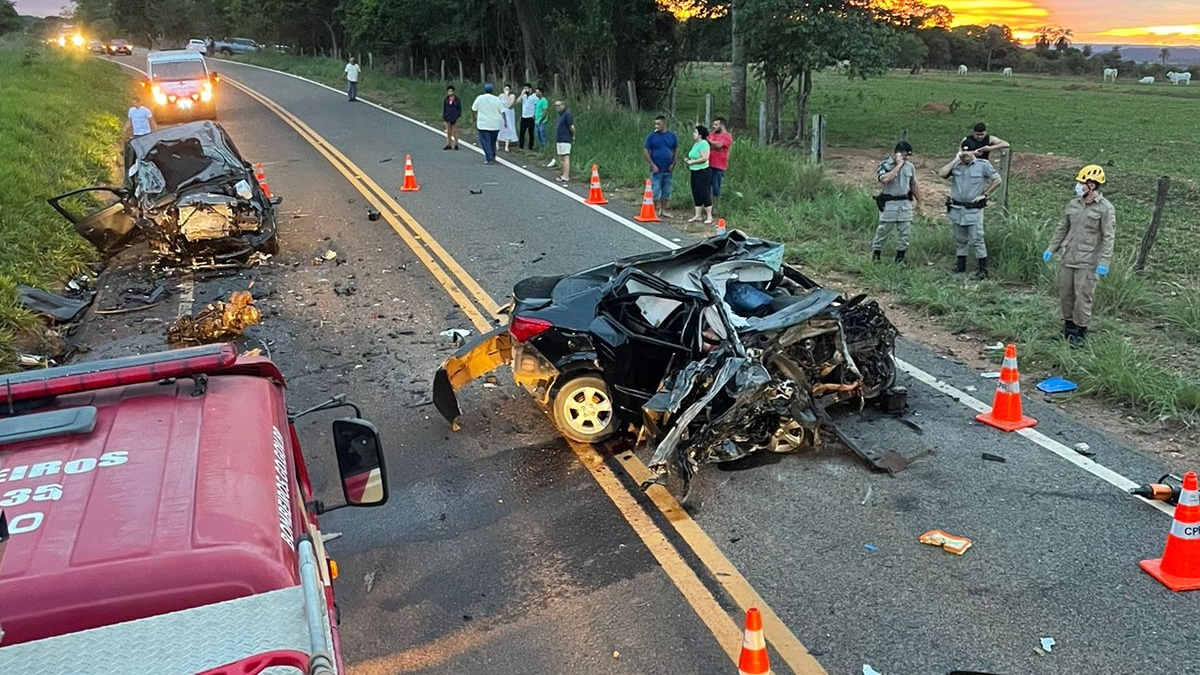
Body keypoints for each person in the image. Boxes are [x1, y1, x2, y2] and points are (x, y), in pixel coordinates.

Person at [1043, 165, 1116, 344]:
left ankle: (1080, 333)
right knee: (1065, 294)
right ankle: (1067, 329)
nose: (1078, 186)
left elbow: (1108, 237)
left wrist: (1104, 262)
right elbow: (1062, 227)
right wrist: (1051, 248)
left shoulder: (1105, 209)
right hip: (1068, 257)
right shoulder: (1073, 204)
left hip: (1088, 261)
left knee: (1082, 297)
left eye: (1081, 183)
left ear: (1091, 185)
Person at [939, 144, 1002, 278]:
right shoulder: (956, 165)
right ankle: (961, 264)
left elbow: (997, 180)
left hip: (973, 209)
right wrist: (956, 159)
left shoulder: (983, 165)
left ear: (974, 152)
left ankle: (982, 268)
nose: (965, 157)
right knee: (960, 239)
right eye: (963, 154)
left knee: (977, 239)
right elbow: (942, 173)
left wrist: (985, 194)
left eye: (967, 154)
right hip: (957, 208)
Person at [872, 141, 921, 263]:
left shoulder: (910, 166)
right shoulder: (885, 165)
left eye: (907, 156)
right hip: (890, 204)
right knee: (883, 230)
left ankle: (900, 258)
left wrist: (920, 201)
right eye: (903, 155)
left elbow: (913, 184)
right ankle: (877, 254)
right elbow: (885, 179)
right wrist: (898, 166)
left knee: (905, 233)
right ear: (896, 153)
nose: (905, 158)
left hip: (904, 203)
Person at [643, 115, 678, 218]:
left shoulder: (672, 136)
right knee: (655, 190)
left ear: (664, 124)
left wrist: (673, 163)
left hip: (668, 168)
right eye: (656, 124)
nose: (656, 126)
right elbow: (646, 150)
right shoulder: (652, 136)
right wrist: (652, 164)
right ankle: (653, 209)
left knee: (666, 190)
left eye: (659, 124)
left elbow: (675, 149)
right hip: (656, 168)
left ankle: (663, 209)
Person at [684, 125, 713, 224]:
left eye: (695, 132)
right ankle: (698, 215)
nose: (693, 134)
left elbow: (705, 158)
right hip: (694, 171)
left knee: (704, 192)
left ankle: (709, 216)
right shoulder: (696, 144)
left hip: (703, 171)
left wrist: (692, 162)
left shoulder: (704, 143)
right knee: (695, 191)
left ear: (700, 135)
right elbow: (694, 155)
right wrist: (689, 160)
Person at [471, 84, 504, 164]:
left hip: (483, 124)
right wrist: (505, 122)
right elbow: (502, 111)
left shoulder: (480, 98)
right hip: (495, 124)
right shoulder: (496, 99)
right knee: (493, 141)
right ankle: (493, 155)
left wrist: (474, 119)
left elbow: (473, 109)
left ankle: (489, 158)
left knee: (485, 142)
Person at [707, 117, 733, 214]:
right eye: (713, 124)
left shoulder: (727, 136)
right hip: (708, 163)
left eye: (716, 125)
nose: (714, 127)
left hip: (719, 165)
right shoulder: (712, 134)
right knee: (707, 186)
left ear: (722, 125)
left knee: (716, 187)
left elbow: (718, 145)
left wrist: (709, 141)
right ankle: (708, 207)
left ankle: (716, 207)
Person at [553, 100, 574, 182]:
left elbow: (571, 127)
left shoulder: (567, 114)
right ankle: (563, 174)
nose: (557, 107)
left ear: (563, 105)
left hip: (565, 138)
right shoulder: (560, 115)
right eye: (555, 106)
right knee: (562, 157)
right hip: (560, 138)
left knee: (565, 156)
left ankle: (566, 175)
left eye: (558, 105)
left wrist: (573, 135)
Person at [517, 83, 537, 150]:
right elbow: (517, 102)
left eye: (526, 88)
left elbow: (536, 106)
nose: (525, 90)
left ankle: (530, 147)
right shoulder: (524, 96)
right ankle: (521, 146)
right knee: (522, 132)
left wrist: (534, 115)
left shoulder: (534, 96)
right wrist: (521, 94)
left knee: (531, 132)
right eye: (524, 88)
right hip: (524, 116)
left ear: (530, 89)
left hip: (530, 117)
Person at [497, 85, 517, 152]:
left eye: (508, 89)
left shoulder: (512, 96)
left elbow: (510, 105)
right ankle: (497, 144)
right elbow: (497, 104)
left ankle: (507, 145)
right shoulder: (500, 95)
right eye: (505, 89)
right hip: (501, 113)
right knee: (499, 127)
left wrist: (506, 96)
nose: (506, 90)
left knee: (508, 127)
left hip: (509, 114)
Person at [442, 86, 462, 150]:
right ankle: (448, 144)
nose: (450, 92)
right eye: (449, 91)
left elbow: (459, 109)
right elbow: (444, 109)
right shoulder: (446, 99)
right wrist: (444, 116)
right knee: (448, 132)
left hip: (455, 118)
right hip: (448, 117)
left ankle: (456, 144)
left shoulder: (457, 100)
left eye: (451, 91)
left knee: (455, 131)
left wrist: (457, 116)